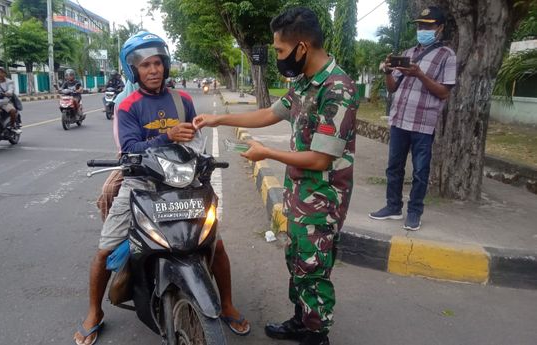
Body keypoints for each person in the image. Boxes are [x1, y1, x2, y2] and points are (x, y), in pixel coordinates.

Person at [73, 31, 250, 345]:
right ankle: (93, 312)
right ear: (134, 71)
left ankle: (226, 303)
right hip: (141, 183)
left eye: (158, 63)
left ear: (165, 66)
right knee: (104, 251)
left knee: (215, 245)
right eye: (145, 65)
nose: (153, 70)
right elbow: (129, 149)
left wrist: (203, 156)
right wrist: (167, 136)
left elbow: (195, 140)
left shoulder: (182, 100)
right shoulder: (128, 106)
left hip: (183, 183)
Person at [194, 7, 357, 345]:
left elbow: (321, 157)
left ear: (302, 47)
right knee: (297, 261)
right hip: (300, 195)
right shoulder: (306, 82)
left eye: (281, 51)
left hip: (323, 199)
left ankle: (316, 335)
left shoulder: (336, 88)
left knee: (313, 270)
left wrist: (266, 153)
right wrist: (218, 120)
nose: (279, 57)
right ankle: (302, 321)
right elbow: (271, 112)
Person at [369, 6, 457, 231]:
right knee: (394, 167)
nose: (422, 29)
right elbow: (393, 88)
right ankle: (393, 207)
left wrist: (420, 74)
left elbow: (444, 92)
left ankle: (414, 212)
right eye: (420, 25)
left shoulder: (447, 55)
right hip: (400, 119)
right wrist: (388, 71)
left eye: (427, 26)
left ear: (440, 28)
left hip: (423, 124)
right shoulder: (408, 53)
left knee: (420, 171)